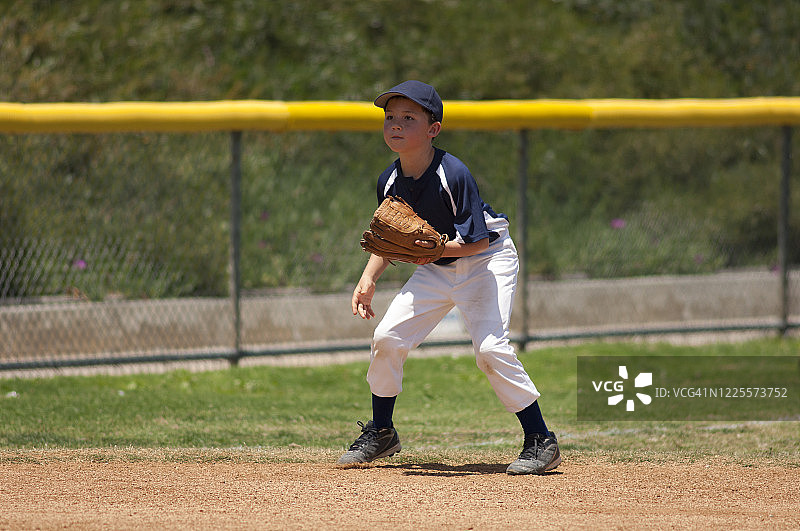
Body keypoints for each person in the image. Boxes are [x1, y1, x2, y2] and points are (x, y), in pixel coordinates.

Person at [337, 80, 560, 475]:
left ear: (433, 129)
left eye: (409, 117)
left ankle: (541, 439)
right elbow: (393, 238)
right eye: (390, 117)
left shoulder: (452, 173)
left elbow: (477, 241)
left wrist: (433, 251)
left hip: (485, 261)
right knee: (387, 338)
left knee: (490, 350)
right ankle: (382, 431)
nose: (396, 125)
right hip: (436, 267)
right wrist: (368, 278)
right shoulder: (388, 181)